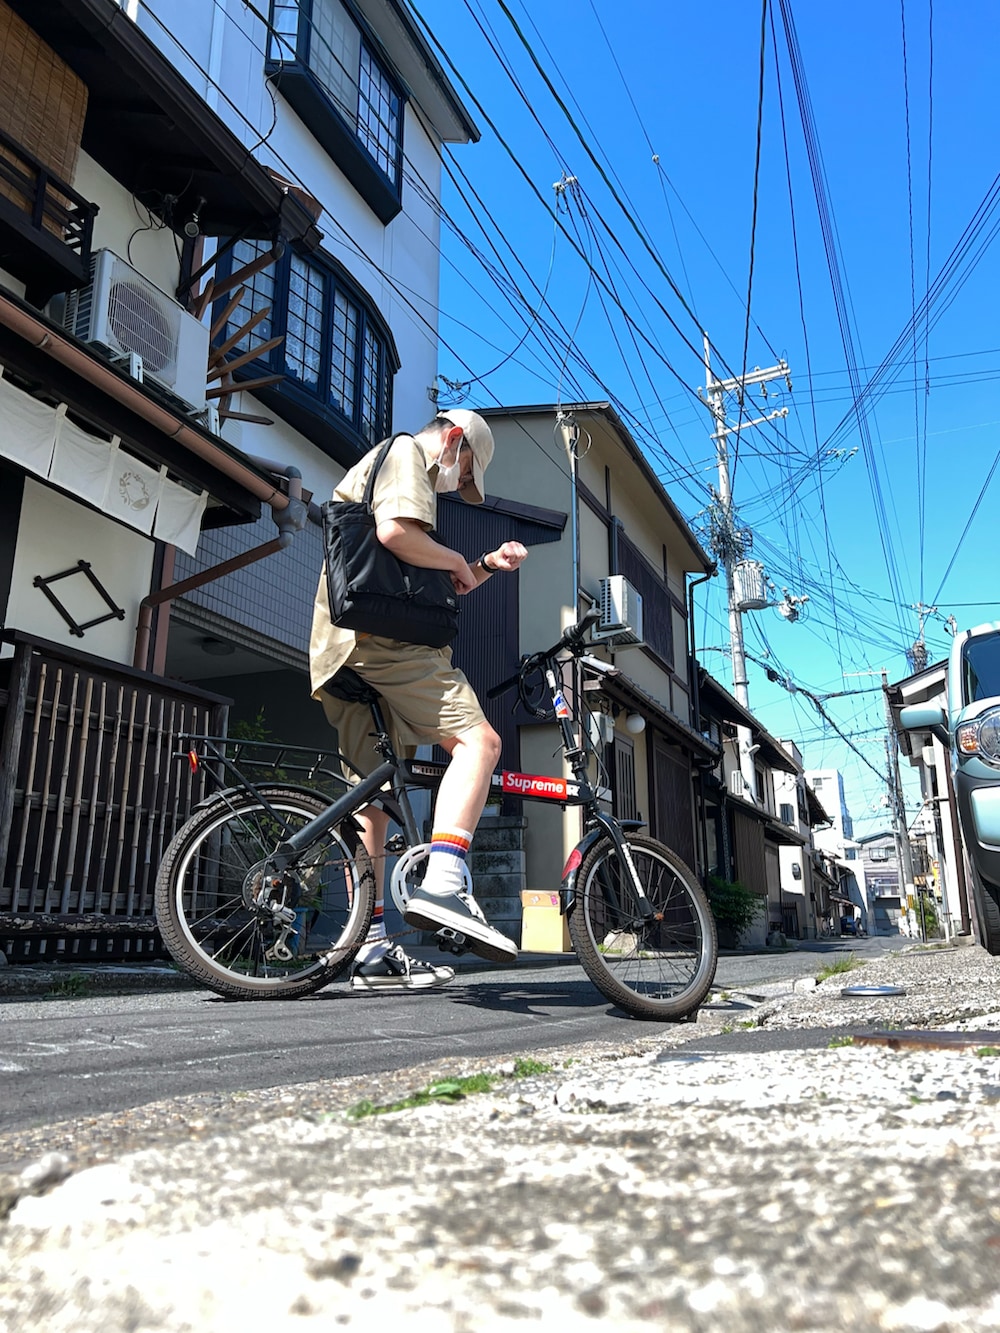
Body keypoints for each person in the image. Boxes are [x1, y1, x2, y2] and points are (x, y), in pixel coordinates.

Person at [309, 409, 528, 992]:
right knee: (479, 743)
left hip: (341, 648)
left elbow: (429, 573)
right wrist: (457, 559)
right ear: (454, 441)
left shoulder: (382, 470)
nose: (457, 485)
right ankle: (445, 880)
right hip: (388, 643)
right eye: (464, 473)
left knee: (374, 800)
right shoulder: (407, 452)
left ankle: (370, 945)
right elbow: (395, 536)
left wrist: (482, 565)